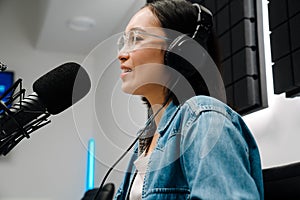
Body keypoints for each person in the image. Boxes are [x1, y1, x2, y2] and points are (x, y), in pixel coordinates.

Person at [114, 0, 264, 199]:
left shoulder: (204, 118)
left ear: (181, 53)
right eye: (124, 41)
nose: (121, 55)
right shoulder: (145, 138)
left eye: (137, 38)